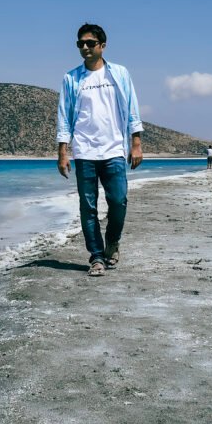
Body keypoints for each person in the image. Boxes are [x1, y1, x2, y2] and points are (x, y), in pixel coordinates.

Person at [56, 23, 144, 277]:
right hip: (84, 152)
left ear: (102, 46)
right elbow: (64, 116)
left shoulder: (119, 73)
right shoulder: (71, 78)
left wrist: (136, 143)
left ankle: (112, 242)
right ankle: (96, 256)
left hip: (114, 149)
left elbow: (132, 108)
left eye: (90, 43)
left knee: (119, 201)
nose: (84, 47)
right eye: (80, 43)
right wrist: (63, 151)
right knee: (88, 207)